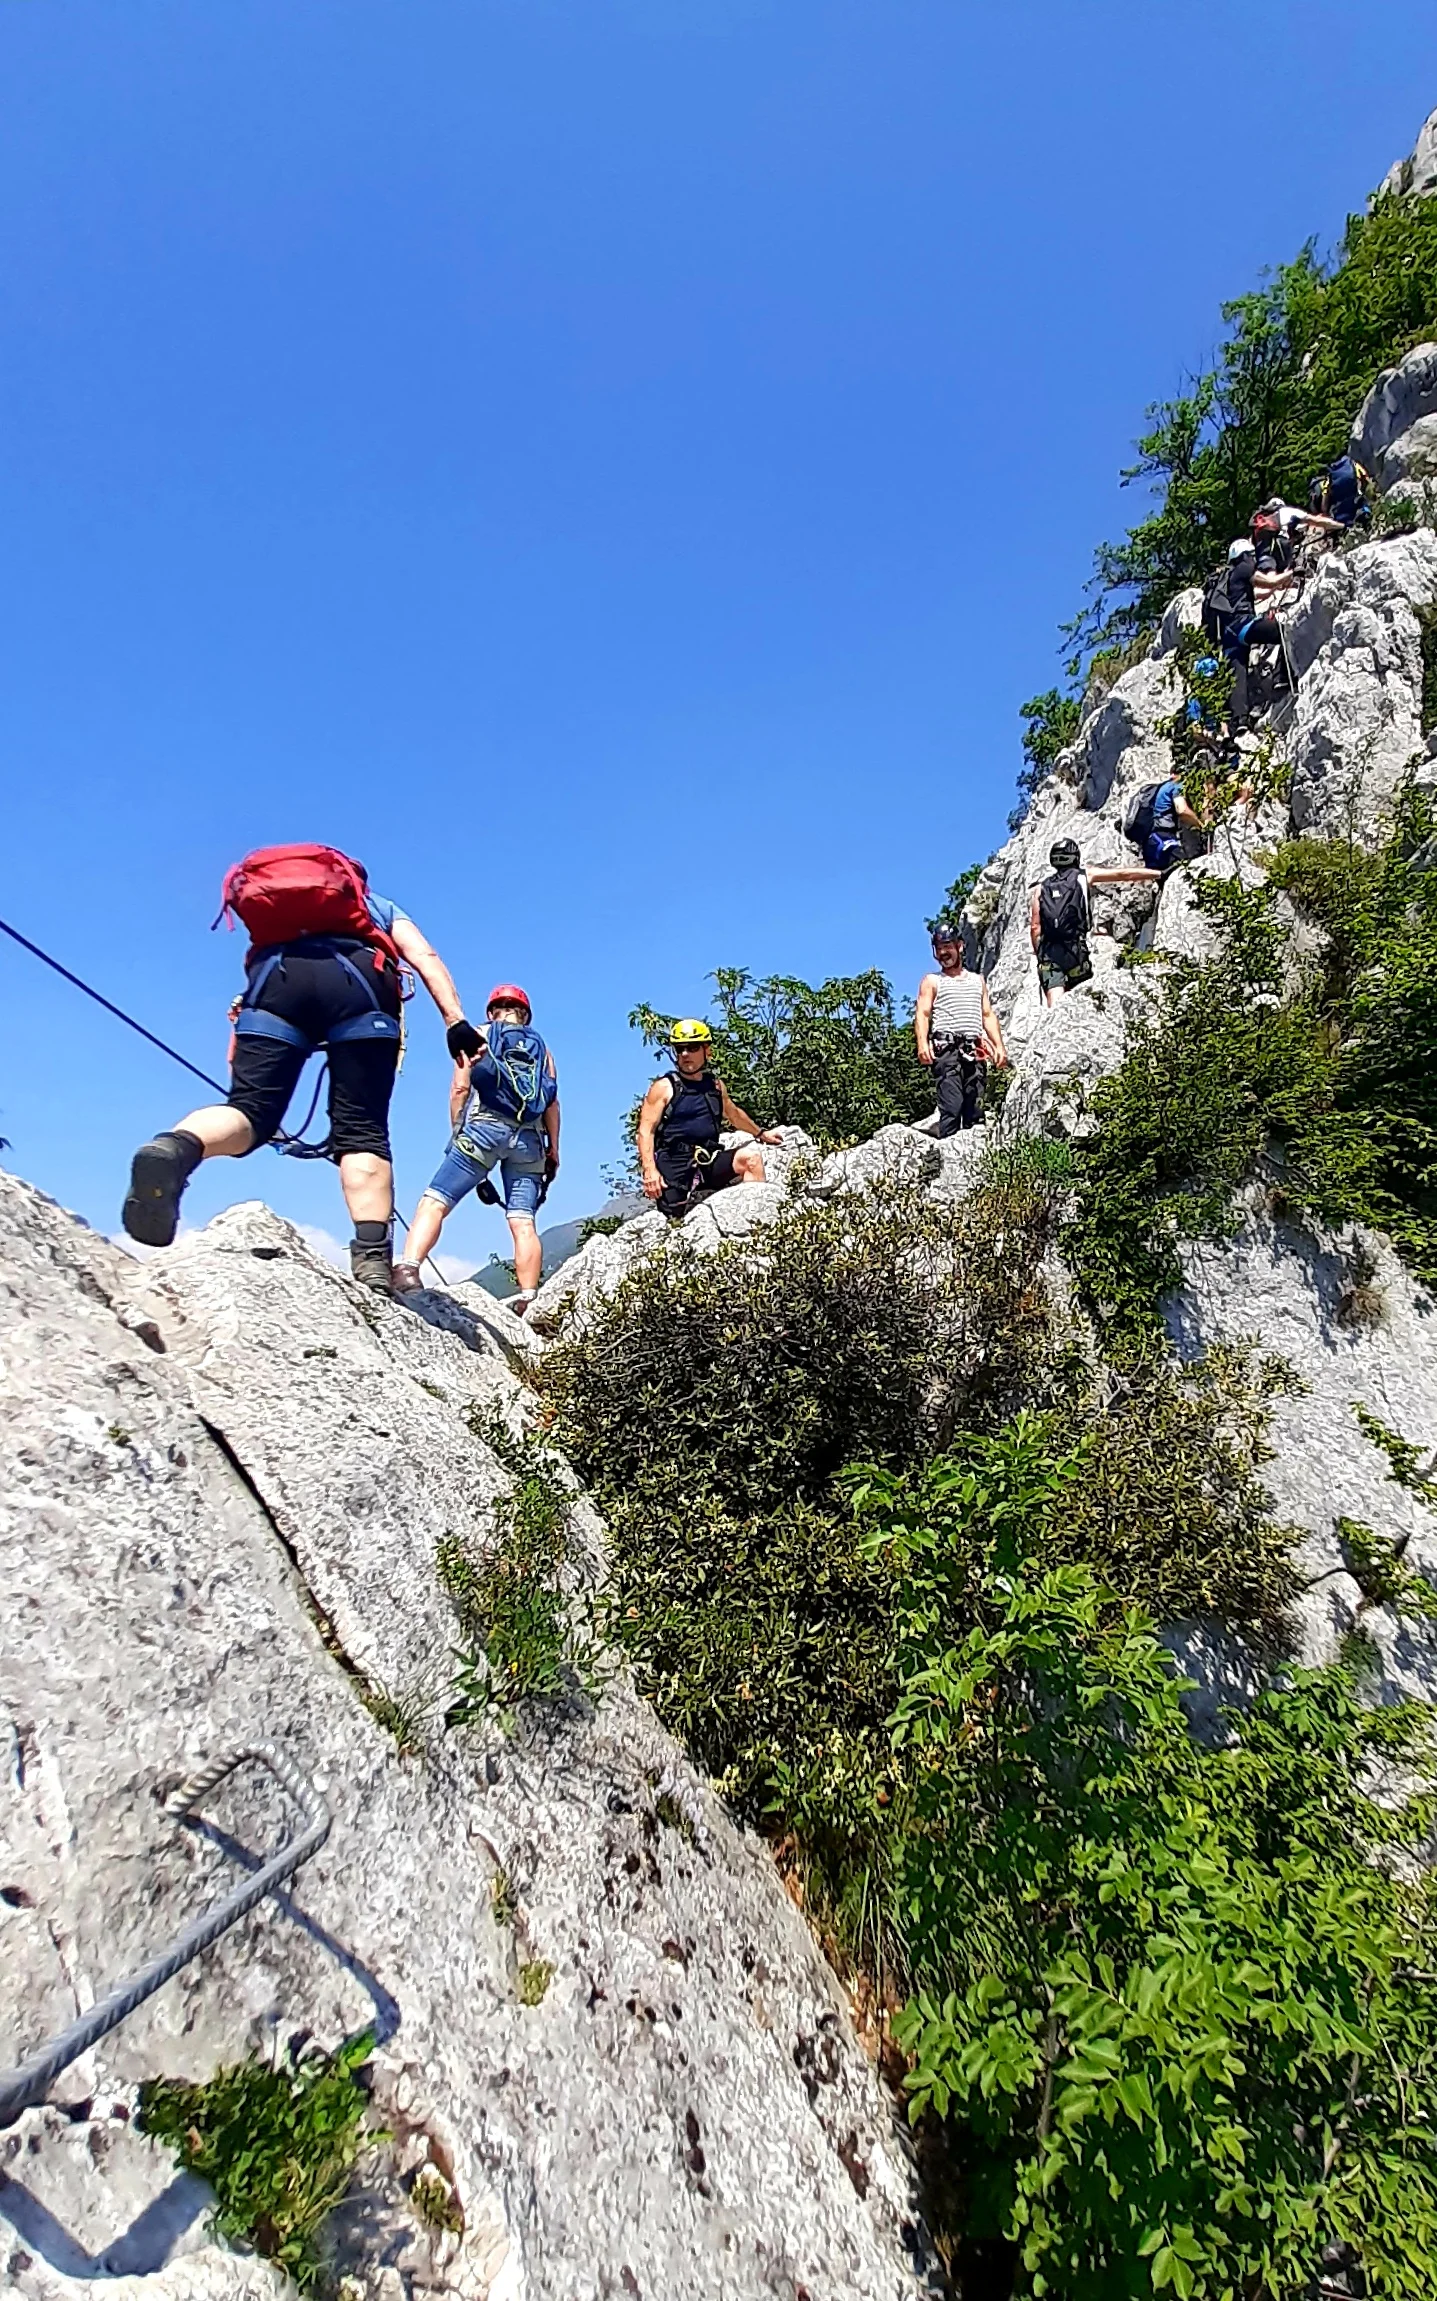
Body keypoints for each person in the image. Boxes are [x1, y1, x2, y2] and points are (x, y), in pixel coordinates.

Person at [121, 842, 478, 1295]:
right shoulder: (377, 907)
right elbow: (423, 957)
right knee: (362, 1130)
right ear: (351, 882)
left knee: (249, 1111)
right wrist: (455, 1021)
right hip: (360, 983)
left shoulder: (283, 919)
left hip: (276, 978)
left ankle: (174, 1150)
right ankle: (372, 1262)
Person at [394, 984, 559, 1316]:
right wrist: (553, 1150)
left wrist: (457, 1131)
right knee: (523, 1221)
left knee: (436, 1200)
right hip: (529, 1141)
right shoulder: (542, 1048)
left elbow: (460, 1087)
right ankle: (529, 1298)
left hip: (483, 1129)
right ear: (525, 1014)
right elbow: (552, 1103)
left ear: (491, 1011)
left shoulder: (479, 1035)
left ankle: (409, 1268)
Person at [636, 1020, 782, 1220]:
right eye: (680, 1049)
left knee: (751, 1160)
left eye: (692, 1047)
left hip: (708, 1160)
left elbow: (733, 1114)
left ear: (707, 1050)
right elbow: (646, 1131)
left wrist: (761, 1134)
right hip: (674, 1168)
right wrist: (649, 1171)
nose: (685, 1054)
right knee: (675, 1221)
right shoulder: (664, 1087)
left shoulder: (715, 1087)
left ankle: (759, 1224)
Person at [1029, 839, 1160, 1006]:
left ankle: (1056, 1019)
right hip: (1075, 949)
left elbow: (1035, 927)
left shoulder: (1041, 888)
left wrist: (1040, 955)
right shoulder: (1083, 876)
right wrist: (1159, 873)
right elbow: (1123, 874)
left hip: (1050, 951)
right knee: (1083, 996)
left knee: (1055, 999)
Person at [914, 928, 1007, 1134]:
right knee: (952, 1108)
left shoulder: (977, 980)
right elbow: (923, 1013)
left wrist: (999, 1046)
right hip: (947, 1051)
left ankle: (976, 1151)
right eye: (939, 948)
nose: (943, 953)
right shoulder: (932, 981)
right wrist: (922, 1044)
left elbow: (987, 1014)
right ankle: (948, 1149)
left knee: (976, 1110)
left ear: (960, 946)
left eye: (947, 947)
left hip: (974, 1050)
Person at [1215, 537, 1293, 730]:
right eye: (1251, 555)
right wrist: (1291, 573)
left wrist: (1282, 583)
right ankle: (1282, 678)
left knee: (1238, 676)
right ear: (1245, 555)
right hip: (1245, 624)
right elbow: (1269, 582)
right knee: (1284, 630)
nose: (1253, 559)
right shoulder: (1243, 568)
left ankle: (1240, 721)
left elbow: (1259, 593)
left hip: (1229, 635)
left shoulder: (1228, 579)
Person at [1251, 495, 1342, 573]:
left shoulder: (1261, 522)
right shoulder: (1287, 512)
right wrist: (1340, 526)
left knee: (1269, 571)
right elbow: (1315, 520)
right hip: (1281, 546)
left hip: (1262, 551)